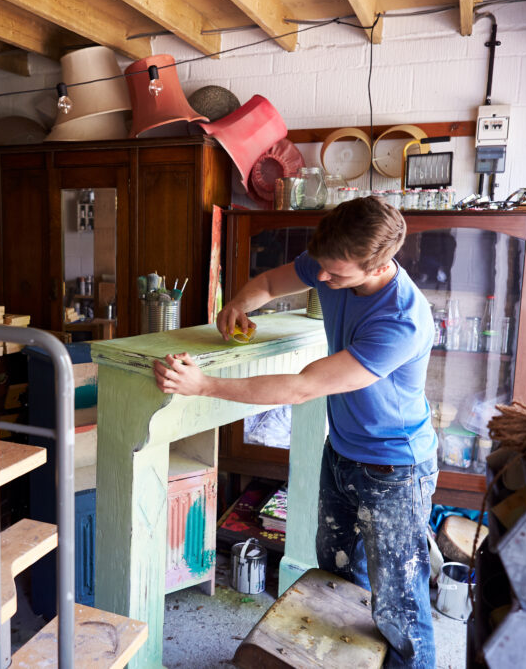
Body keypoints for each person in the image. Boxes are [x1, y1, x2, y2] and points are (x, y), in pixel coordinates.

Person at [153, 196, 438, 669]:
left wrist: (203, 385)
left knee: (399, 610)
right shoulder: (330, 262)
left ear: (378, 264)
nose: (322, 279)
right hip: (343, 451)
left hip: (395, 470)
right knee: (338, 584)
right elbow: (269, 281)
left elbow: (303, 386)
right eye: (320, 267)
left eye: (336, 275)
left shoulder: (402, 319)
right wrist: (240, 304)